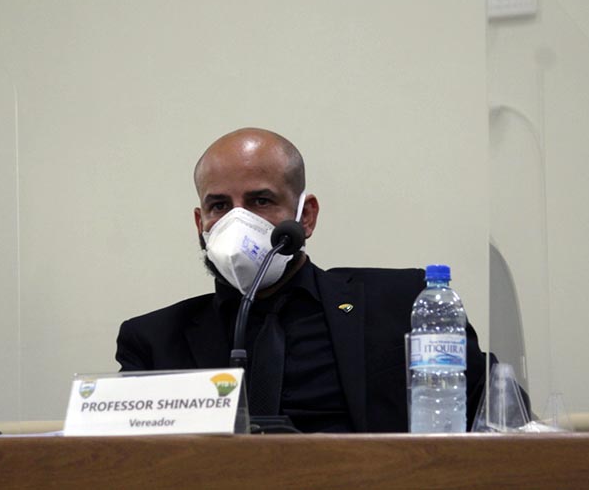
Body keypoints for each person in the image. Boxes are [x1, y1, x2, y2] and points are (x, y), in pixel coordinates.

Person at [115, 127, 490, 433]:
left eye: (261, 201)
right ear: (201, 224)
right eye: (219, 206)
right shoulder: (153, 342)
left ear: (306, 216)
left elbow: (500, 413)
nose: (237, 221)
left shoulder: (402, 304)